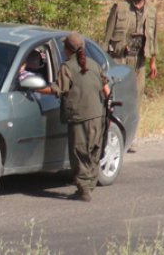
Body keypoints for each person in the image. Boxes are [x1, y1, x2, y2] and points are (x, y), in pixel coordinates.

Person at [37, 32, 110, 202]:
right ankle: (89, 184)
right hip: (97, 114)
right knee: (93, 150)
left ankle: (84, 190)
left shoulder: (67, 67)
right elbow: (106, 90)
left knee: (79, 152)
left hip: (79, 116)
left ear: (68, 49)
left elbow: (57, 89)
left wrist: (37, 89)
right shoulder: (94, 64)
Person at [102, 0, 159, 153]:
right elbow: (107, 36)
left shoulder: (151, 11)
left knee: (135, 98)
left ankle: (131, 138)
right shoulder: (120, 7)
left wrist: (153, 62)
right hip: (120, 59)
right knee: (117, 97)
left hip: (139, 62)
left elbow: (153, 38)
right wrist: (105, 60)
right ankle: (113, 136)